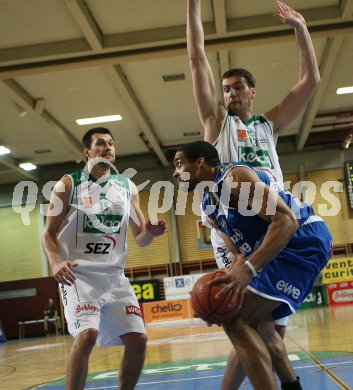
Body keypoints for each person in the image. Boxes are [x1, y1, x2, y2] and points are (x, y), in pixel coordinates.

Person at [187, 1, 321, 387]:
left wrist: (300, 27)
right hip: (233, 229)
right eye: (225, 88)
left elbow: (309, 82)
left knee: (271, 331)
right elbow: (197, 60)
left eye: (237, 87)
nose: (229, 92)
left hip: (273, 225)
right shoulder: (216, 122)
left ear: (252, 92)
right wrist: (194, 8)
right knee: (244, 319)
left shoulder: (269, 123)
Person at [173, 141, 332, 390]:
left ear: (199, 163)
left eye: (179, 163)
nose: (174, 172)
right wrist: (224, 286)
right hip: (282, 245)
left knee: (237, 320)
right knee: (261, 325)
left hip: (301, 237)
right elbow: (239, 253)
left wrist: (247, 271)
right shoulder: (209, 205)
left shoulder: (233, 178)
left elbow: (285, 221)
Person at [42, 127, 167, 390]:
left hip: (114, 276)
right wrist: (55, 261)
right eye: (101, 144)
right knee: (87, 335)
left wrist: (152, 232)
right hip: (78, 275)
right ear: (87, 152)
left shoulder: (126, 186)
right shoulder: (68, 184)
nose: (108, 148)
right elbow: (48, 234)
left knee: (138, 340)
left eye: (111, 143)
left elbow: (140, 237)